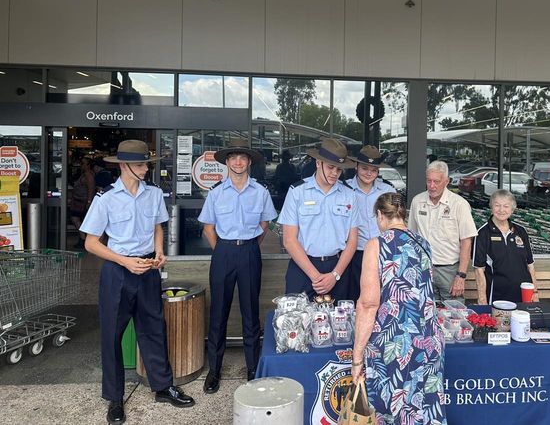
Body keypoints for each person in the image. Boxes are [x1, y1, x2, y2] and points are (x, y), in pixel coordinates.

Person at [80, 140, 194, 424]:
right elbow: (91, 243)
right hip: (118, 271)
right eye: (141, 164)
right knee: (112, 336)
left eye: (146, 164)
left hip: (148, 270)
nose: (146, 169)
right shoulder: (106, 197)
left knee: (154, 330)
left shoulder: (153, 194)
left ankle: (163, 386)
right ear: (124, 166)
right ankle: (115, 398)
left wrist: (159, 251)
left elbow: (158, 225)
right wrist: (124, 261)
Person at [351, 192, 446, 425]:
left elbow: (368, 303)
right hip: (429, 340)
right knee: (424, 411)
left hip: (396, 343)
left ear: (381, 216)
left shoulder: (377, 245)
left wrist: (357, 357)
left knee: (392, 410)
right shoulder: (423, 243)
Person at [198, 139, 277, 391]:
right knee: (218, 314)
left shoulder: (261, 192)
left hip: (250, 252)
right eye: (233, 158)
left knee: (250, 313)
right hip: (223, 252)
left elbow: (265, 226)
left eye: (242, 158)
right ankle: (215, 369)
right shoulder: (216, 192)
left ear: (249, 161)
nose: (238, 162)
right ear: (227, 162)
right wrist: (225, 250)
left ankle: (252, 367)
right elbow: (209, 228)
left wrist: (247, 246)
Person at [278, 138, 359, 300]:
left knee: (339, 322)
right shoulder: (297, 192)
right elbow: (289, 240)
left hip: (337, 268)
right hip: (303, 267)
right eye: (330, 167)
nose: (334, 173)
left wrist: (334, 275)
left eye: (339, 169)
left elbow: (352, 241)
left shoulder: (349, 194)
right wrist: (316, 276)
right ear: (318, 163)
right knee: (297, 321)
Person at [408, 160, 477, 302]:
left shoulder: (459, 204)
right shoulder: (417, 201)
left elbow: (466, 242)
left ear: (447, 181)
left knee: (454, 315)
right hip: (424, 268)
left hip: (450, 270)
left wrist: (461, 276)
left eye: (436, 181)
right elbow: (412, 237)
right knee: (423, 312)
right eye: (429, 181)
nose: (432, 186)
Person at [345, 145, 395, 302]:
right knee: (354, 297)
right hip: (353, 253)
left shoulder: (388, 191)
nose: (369, 173)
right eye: (365, 168)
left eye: (373, 170)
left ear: (378, 171)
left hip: (381, 253)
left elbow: (394, 222)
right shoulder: (344, 189)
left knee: (381, 297)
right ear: (356, 166)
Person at [473, 190, 538, 305]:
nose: (501, 210)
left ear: (512, 209)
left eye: (506, 206)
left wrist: (535, 292)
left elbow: (530, 266)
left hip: (524, 296)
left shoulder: (521, 231)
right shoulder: (483, 233)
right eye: (497, 205)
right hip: (497, 297)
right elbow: (479, 270)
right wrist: (482, 299)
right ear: (491, 207)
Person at [69, 157, 95, 249]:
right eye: (81, 163)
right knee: (78, 219)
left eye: (83, 164)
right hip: (78, 200)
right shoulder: (83, 174)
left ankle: (83, 239)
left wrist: (89, 201)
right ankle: (82, 238)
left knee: (76, 219)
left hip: (82, 202)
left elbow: (91, 189)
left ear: (88, 165)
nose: (81, 165)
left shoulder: (89, 175)